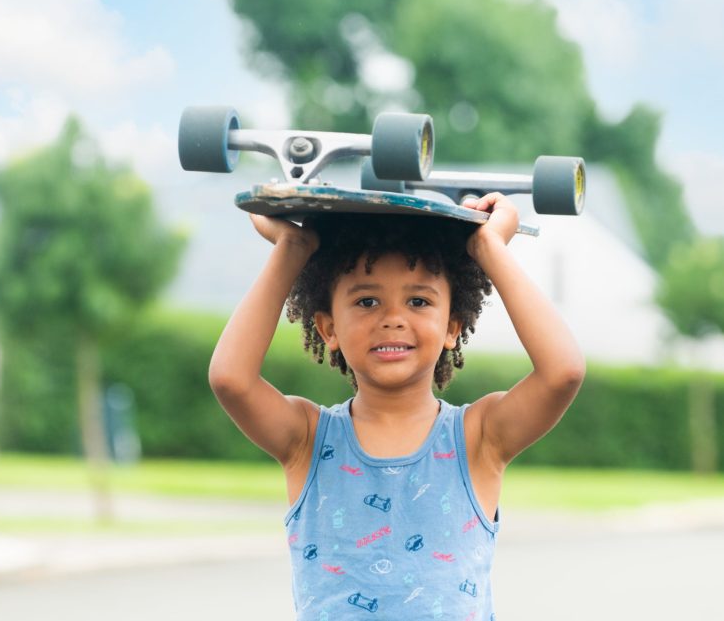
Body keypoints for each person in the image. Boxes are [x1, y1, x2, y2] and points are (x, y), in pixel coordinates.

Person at [209, 193, 585, 620]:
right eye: (367, 301)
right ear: (328, 328)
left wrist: (487, 247)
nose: (393, 318)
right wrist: (292, 249)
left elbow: (563, 372)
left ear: (452, 327)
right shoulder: (307, 438)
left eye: (419, 301)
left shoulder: (479, 437)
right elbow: (231, 380)